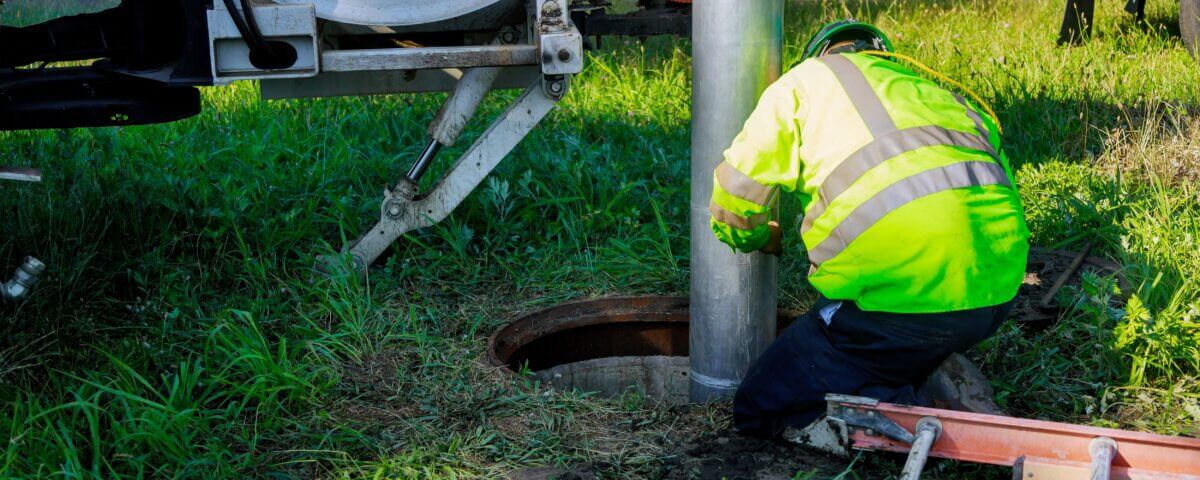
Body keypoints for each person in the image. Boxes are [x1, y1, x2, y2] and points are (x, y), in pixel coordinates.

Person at [707, 19, 1030, 439]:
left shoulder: (802, 83)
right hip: (996, 296)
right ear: (880, 56)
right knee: (896, 337)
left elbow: (735, 196)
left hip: (898, 306)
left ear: (820, 56)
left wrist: (757, 238)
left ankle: (905, 405)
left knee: (757, 406)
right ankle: (927, 367)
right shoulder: (938, 94)